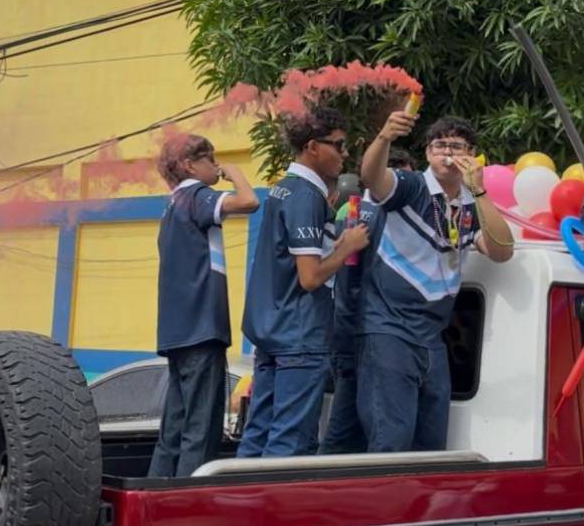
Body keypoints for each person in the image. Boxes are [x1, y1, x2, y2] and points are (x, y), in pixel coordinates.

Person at [358, 112, 513, 452]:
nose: (447, 152)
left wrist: (480, 190)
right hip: (390, 330)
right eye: (439, 145)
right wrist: (384, 136)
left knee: (431, 444)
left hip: (433, 338)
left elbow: (502, 251)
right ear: (428, 153)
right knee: (391, 441)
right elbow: (371, 177)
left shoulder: (469, 204)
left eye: (456, 146)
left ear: (471, 155)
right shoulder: (411, 186)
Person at [239, 106, 370, 457]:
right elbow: (310, 277)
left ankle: (239, 492)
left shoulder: (283, 189)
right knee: (290, 441)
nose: (344, 154)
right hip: (299, 334)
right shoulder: (306, 196)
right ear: (313, 146)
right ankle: (273, 496)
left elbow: (288, 259)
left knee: (257, 434)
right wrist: (347, 247)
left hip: (271, 329)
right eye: (338, 145)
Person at [148, 134, 259, 478]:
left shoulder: (171, 207)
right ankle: (188, 500)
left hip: (177, 331)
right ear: (189, 166)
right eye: (209, 159)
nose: (215, 165)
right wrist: (235, 173)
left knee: (174, 430)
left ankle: (155, 494)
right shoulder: (196, 196)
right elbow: (249, 201)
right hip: (201, 327)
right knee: (201, 429)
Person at [320, 150, 416, 455]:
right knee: (345, 429)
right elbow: (352, 282)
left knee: (354, 429)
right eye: (403, 178)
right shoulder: (364, 213)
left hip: (354, 332)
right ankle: (321, 481)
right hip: (359, 336)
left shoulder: (356, 211)